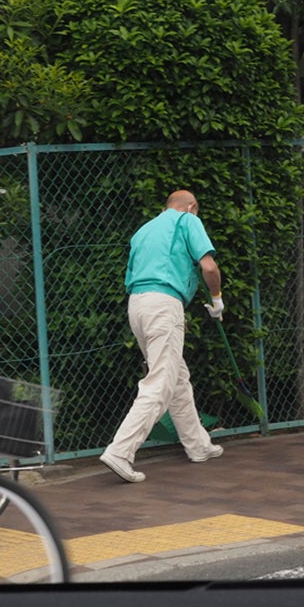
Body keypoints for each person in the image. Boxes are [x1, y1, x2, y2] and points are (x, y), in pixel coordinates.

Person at [100, 189, 225, 483]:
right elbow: (208, 266)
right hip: (164, 304)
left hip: (137, 305)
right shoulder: (187, 220)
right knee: (160, 381)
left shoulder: (143, 231)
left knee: (177, 377)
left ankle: (199, 446)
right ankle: (121, 451)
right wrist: (217, 299)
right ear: (191, 207)